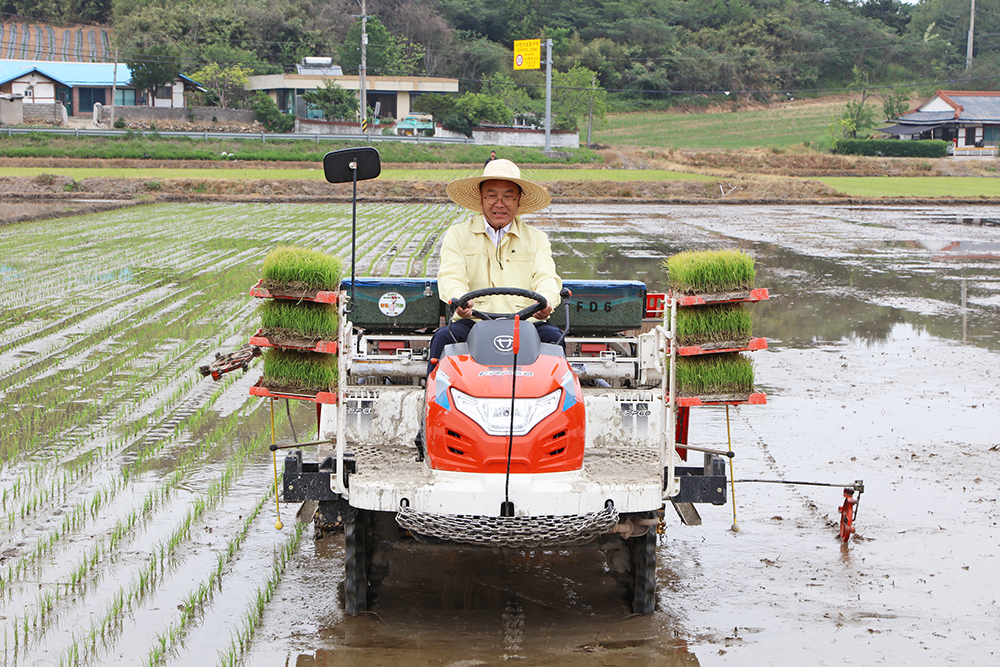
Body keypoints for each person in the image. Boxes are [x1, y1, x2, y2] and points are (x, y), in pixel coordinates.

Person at [428, 159, 562, 372]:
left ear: (519, 201)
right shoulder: (458, 235)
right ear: (480, 199)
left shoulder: (537, 238)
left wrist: (546, 302)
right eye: (491, 195)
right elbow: (451, 276)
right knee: (444, 338)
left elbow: (546, 277)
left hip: (526, 324)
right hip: (473, 323)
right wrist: (460, 301)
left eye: (508, 196)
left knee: (554, 339)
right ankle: (435, 400)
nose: (499, 203)